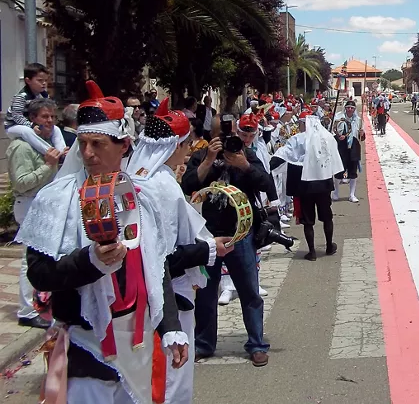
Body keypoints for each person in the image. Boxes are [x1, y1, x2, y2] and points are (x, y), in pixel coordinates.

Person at [17, 80, 188, 402]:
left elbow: (157, 263)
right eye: (82, 143)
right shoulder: (57, 199)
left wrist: (170, 327)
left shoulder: (142, 196)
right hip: (87, 351)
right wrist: (90, 261)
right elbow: (39, 273)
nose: (87, 154)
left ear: (123, 146)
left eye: (98, 144)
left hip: (137, 346)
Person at [126, 98, 233, 403]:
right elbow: (164, 257)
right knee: (172, 376)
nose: (188, 151)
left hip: (144, 293)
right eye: (186, 145)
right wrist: (210, 249)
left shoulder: (137, 177)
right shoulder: (161, 186)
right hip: (170, 293)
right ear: (175, 146)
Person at [182, 113, 274, 367]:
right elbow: (187, 185)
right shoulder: (202, 155)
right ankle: (204, 344)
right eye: (219, 135)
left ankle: (256, 344)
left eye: (229, 134)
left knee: (249, 290)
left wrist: (244, 164)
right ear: (211, 136)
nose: (225, 139)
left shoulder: (244, 152)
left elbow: (267, 184)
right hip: (208, 234)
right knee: (206, 293)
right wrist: (210, 159)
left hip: (241, 233)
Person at [7, 98, 61, 329]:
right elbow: (20, 183)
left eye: (52, 117)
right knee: (29, 260)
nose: (49, 121)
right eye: (44, 117)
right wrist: (47, 166)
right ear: (32, 119)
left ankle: (41, 302)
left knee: (46, 256)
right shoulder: (22, 146)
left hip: (43, 205)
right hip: (29, 205)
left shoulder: (46, 143)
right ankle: (27, 310)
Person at [272, 111, 343, 261]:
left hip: (305, 185)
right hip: (323, 183)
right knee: (326, 216)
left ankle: (312, 252)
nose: (299, 126)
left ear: (305, 123)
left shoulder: (297, 139)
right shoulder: (327, 137)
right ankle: (329, 245)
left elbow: (284, 153)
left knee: (308, 220)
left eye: (300, 124)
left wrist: (270, 165)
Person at [4, 63, 67, 156]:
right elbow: (17, 116)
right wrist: (32, 125)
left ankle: (63, 153)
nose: (44, 83)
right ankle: (49, 152)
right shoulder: (21, 97)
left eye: (45, 80)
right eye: (40, 80)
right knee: (26, 131)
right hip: (13, 126)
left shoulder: (44, 95)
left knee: (56, 129)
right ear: (28, 81)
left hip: (33, 124)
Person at [333, 100, 365, 202]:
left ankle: (352, 194)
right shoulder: (339, 118)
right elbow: (334, 131)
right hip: (341, 146)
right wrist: (339, 137)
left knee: (353, 172)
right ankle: (336, 192)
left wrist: (362, 133)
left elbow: (362, 137)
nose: (350, 110)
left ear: (354, 109)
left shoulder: (359, 120)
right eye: (348, 108)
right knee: (339, 171)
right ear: (345, 108)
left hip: (354, 147)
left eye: (352, 108)